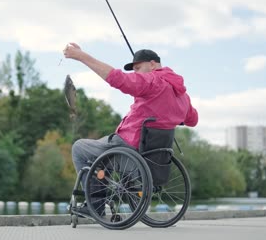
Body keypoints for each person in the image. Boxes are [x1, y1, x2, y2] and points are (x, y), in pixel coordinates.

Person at [63, 43, 198, 216]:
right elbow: (193, 120)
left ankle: (94, 206)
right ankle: (116, 192)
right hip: (154, 158)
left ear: (153, 64)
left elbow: (118, 78)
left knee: (80, 148)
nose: (135, 73)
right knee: (101, 152)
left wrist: (81, 56)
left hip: (128, 148)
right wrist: (169, 115)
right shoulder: (183, 96)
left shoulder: (152, 81)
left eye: (138, 68)